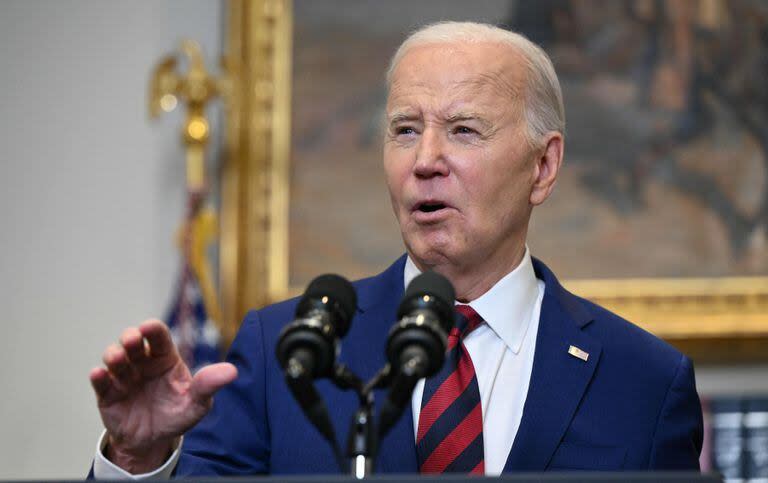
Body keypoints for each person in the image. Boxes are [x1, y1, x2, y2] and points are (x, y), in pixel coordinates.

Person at [89, 21, 703, 478]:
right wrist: (140, 457)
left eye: (464, 130)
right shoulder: (285, 352)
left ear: (543, 167)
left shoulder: (644, 381)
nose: (425, 161)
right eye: (405, 130)